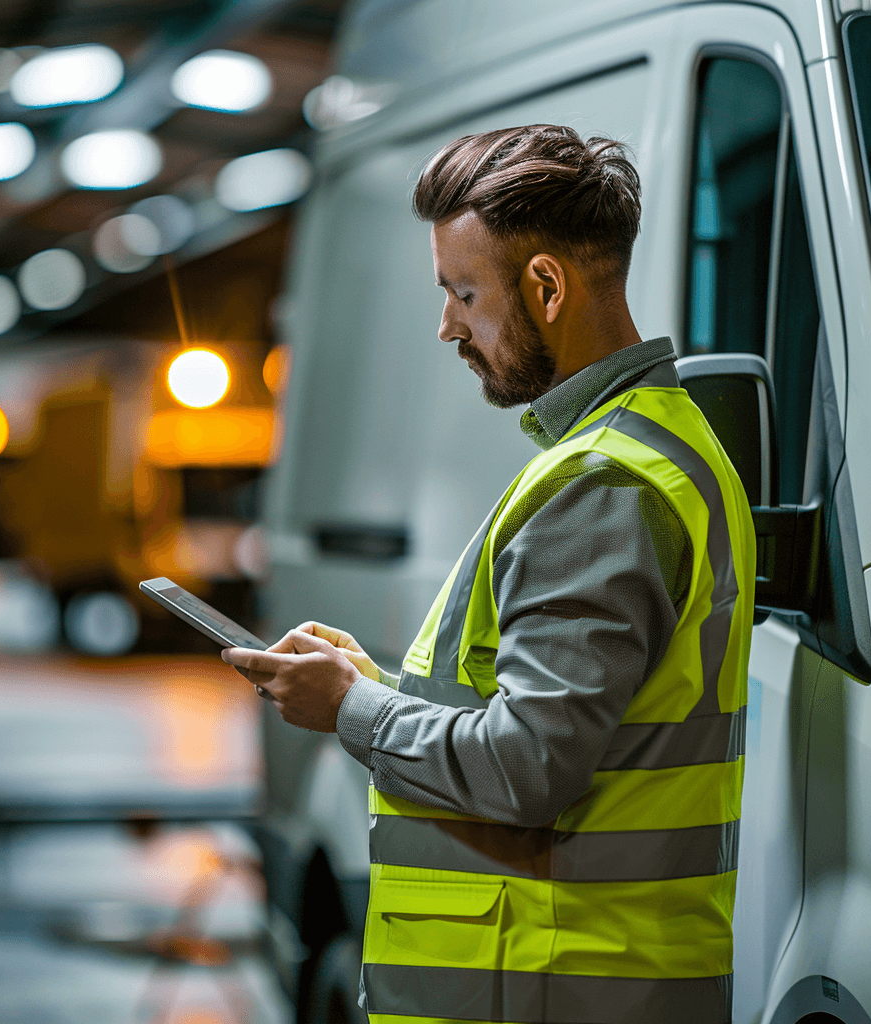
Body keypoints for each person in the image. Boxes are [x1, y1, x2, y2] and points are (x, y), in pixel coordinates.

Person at [224, 125, 756, 1024]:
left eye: (463, 293)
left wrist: (350, 709)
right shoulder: (655, 441)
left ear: (546, 286)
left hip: (550, 984)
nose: (447, 326)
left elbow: (526, 768)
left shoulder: (601, 486)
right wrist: (373, 683)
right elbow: (556, 723)